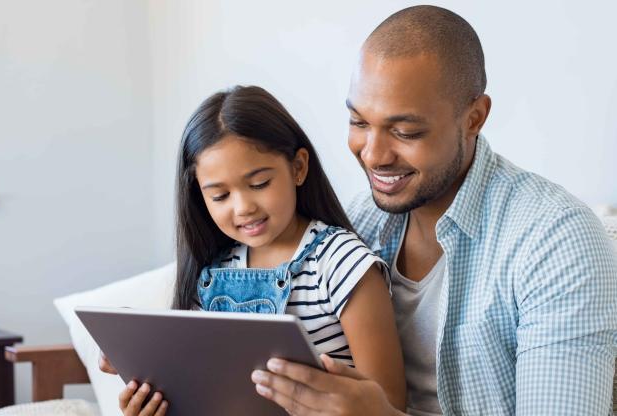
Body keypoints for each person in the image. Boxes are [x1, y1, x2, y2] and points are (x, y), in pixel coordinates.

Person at [249, 5, 617, 415]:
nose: (373, 155)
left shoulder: (556, 241)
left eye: (406, 131)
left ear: (474, 118)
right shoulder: (353, 227)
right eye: (358, 122)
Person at [111, 85, 406, 416]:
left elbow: (388, 404)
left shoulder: (341, 263)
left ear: (298, 168)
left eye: (259, 184)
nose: (243, 208)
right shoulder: (214, 272)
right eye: (220, 196)